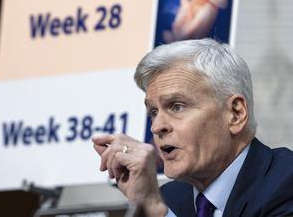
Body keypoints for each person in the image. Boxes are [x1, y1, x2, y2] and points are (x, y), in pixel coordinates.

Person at [92, 38, 293, 217]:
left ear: (235, 114)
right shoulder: (171, 197)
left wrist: (155, 209)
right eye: (153, 112)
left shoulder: (286, 182)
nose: (156, 127)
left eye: (177, 106)